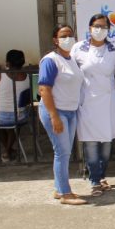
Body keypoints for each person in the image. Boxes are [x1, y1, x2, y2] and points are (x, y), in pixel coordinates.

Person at [38, 24, 86, 205]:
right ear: (55, 40)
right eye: (63, 36)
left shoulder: (71, 59)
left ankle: (59, 189)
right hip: (56, 111)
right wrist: (54, 116)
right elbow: (44, 89)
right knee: (62, 152)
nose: (68, 39)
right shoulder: (50, 60)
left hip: (71, 111)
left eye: (70, 35)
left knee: (64, 152)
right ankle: (66, 194)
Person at [72, 14, 115, 197]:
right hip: (88, 103)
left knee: (106, 146)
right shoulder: (78, 49)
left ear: (109, 30)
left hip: (108, 102)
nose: (100, 30)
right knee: (91, 145)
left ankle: (101, 175)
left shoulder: (114, 50)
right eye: (96, 26)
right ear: (90, 28)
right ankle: (95, 181)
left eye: (104, 26)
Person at [0, 49, 28, 162]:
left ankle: (7, 151)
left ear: (8, 63)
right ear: (23, 62)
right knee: (14, 126)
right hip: (18, 116)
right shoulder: (27, 77)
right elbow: (27, 100)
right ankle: (8, 151)